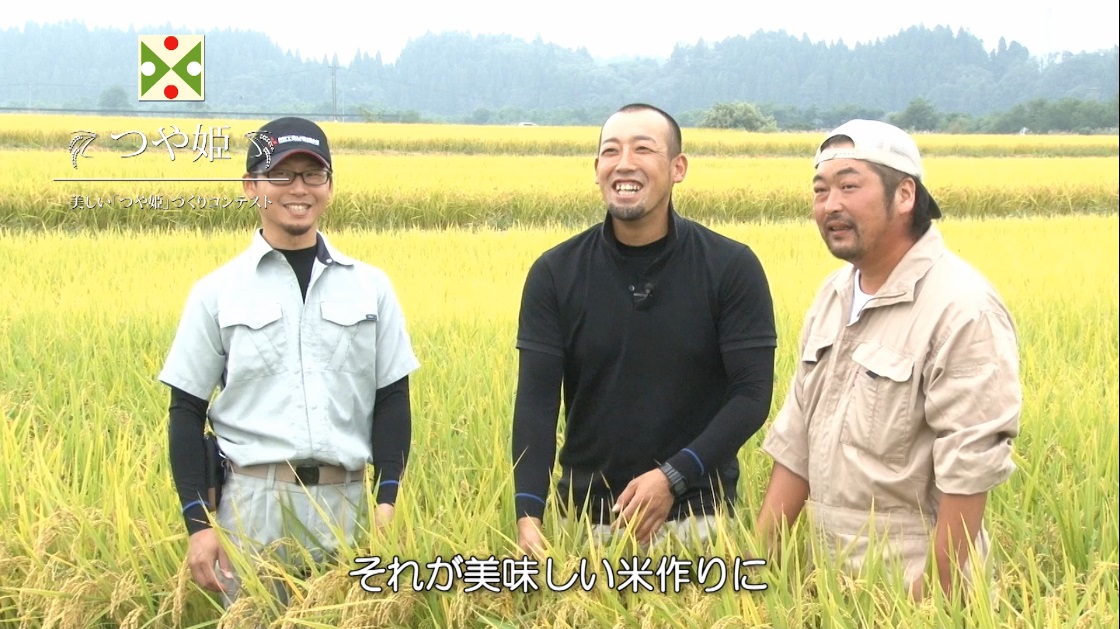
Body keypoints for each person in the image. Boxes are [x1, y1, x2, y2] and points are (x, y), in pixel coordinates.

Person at [755, 119, 1021, 600]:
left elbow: (969, 470)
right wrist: (757, 571)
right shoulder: (832, 296)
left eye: (848, 186)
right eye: (820, 190)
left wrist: (927, 602)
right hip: (820, 583)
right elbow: (796, 443)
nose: (830, 204)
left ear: (904, 195)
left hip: (905, 584)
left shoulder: (962, 307)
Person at [159, 116, 419, 606]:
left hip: (348, 506)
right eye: (281, 175)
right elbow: (185, 412)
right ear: (251, 186)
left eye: (312, 175)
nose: (298, 189)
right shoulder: (216, 292)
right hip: (253, 508)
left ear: (329, 187)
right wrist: (197, 523)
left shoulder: (372, 287)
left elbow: (393, 401)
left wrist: (387, 503)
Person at [511, 103, 777, 553]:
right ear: (597, 169)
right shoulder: (555, 273)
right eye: (611, 151)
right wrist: (528, 514)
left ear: (678, 168)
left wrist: (673, 476)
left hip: (699, 521)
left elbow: (752, 396)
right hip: (586, 522)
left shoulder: (731, 267)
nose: (624, 163)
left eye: (643, 149)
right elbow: (536, 405)